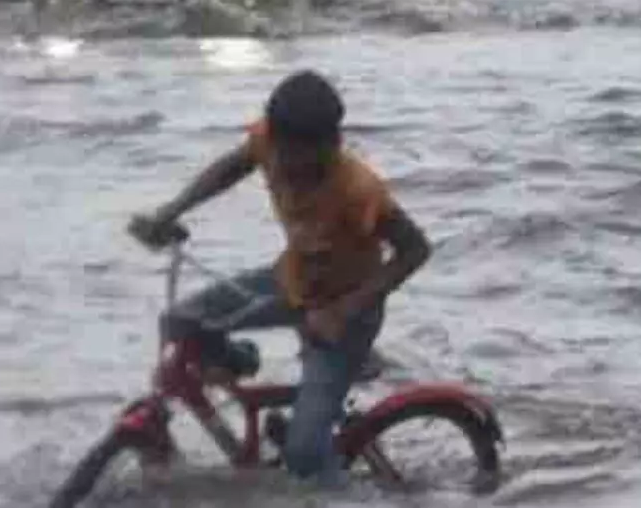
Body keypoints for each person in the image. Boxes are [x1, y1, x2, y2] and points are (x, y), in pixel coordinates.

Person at [128, 71, 432, 486]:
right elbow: (231, 167)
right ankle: (240, 364)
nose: (286, 169)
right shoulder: (269, 143)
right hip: (291, 281)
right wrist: (170, 212)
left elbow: (415, 250)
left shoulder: (357, 189)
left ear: (332, 146)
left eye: (300, 160)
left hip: (343, 311)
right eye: (280, 155)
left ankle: (334, 487)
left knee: (305, 455)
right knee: (179, 323)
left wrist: (343, 310)